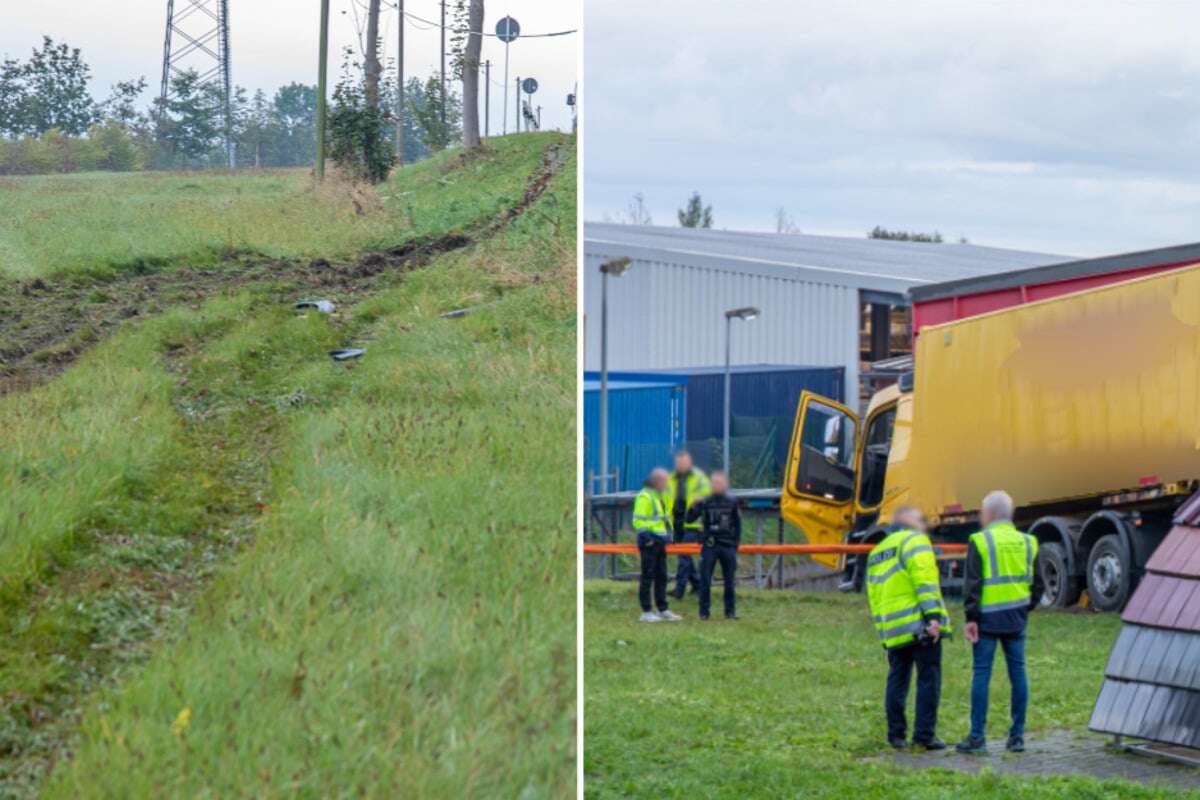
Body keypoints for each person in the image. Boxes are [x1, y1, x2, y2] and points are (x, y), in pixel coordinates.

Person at [956, 490, 1043, 754]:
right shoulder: (1029, 542)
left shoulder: (980, 541)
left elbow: (972, 585)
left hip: (986, 620)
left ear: (990, 514)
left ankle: (977, 738)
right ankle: (1016, 738)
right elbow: (1037, 584)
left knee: (981, 674)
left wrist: (971, 618)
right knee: (1018, 674)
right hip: (1017, 618)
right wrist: (1026, 608)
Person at [866, 506, 951, 750]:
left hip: (892, 629)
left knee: (897, 681)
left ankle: (896, 735)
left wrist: (884, 637)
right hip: (919, 625)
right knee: (928, 679)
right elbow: (925, 582)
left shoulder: (878, 552)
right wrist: (933, 617)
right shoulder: (916, 542)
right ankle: (924, 736)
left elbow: (873, 597)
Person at [685, 470, 742, 620]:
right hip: (709, 545)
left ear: (725, 484)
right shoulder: (704, 501)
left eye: (719, 482)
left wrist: (735, 548)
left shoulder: (732, 501)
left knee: (729, 581)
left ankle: (730, 613)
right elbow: (689, 519)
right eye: (714, 482)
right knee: (705, 580)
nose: (717, 485)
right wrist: (692, 505)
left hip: (727, 546)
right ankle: (704, 613)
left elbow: (738, 526)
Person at [632, 468, 682, 623]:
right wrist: (648, 539)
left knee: (662, 576)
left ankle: (662, 609)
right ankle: (646, 612)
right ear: (657, 481)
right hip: (649, 542)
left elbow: (664, 517)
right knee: (647, 576)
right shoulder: (645, 496)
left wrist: (669, 535)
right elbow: (638, 521)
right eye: (665, 481)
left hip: (660, 541)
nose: (667, 484)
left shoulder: (659, 495)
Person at [664, 451, 710, 599]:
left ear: (689, 463)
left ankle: (679, 589)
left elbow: (709, 497)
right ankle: (697, 585)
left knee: (684, 555)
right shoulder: (670, 478)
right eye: (678, 463)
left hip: (693, 524)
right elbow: (666, 499)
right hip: (676, 522)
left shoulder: (699, 477)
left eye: (684, 463)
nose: (681, 465)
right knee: (684, 556)